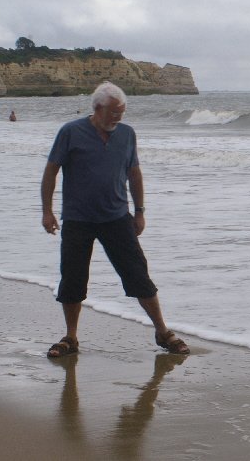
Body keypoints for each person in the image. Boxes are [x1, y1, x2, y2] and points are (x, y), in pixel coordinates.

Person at [41, 81, 189, 357]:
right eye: (113, 112)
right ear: (97, 108)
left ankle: (162, 332)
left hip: (117, 217)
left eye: (122, 112)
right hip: (78, 218)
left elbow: (134, 173)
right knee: (72, 279)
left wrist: (140, 211)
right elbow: (51, 171)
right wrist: (47, 211)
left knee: (138, 275)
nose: (118, 117)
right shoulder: (70, 132)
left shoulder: (127, 134)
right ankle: (70, 337)